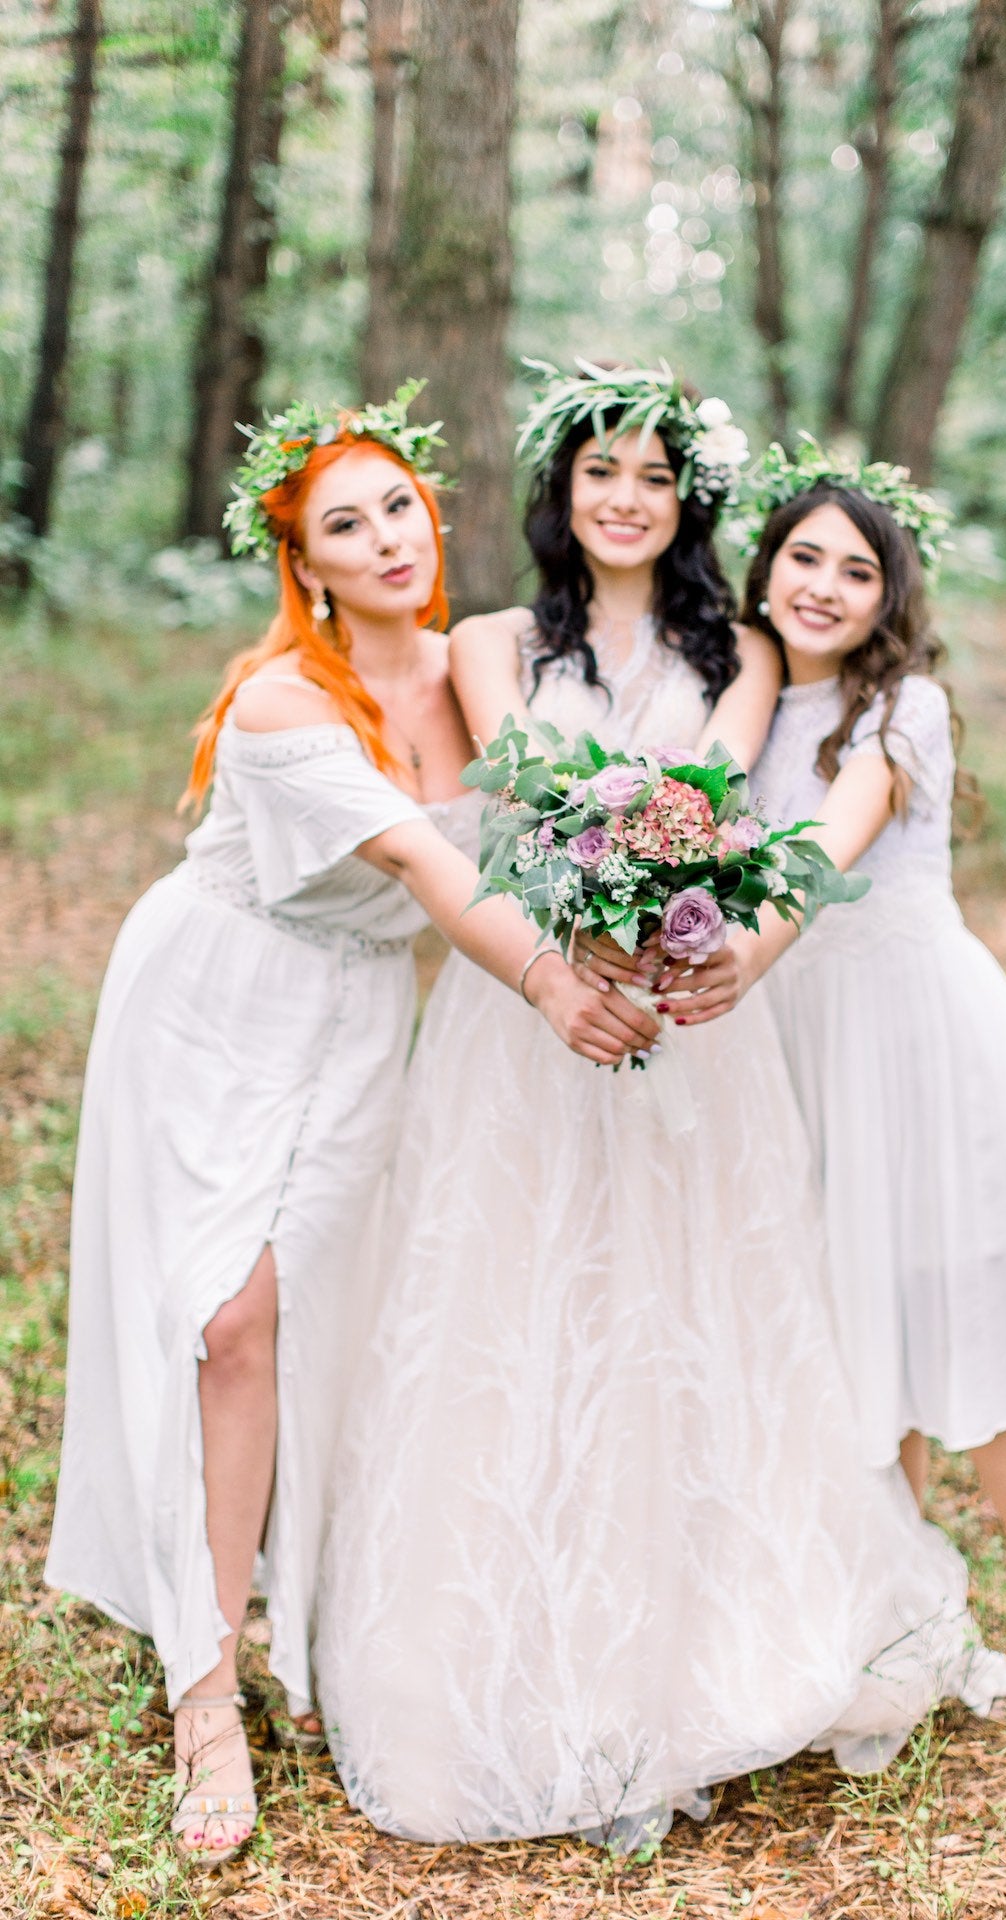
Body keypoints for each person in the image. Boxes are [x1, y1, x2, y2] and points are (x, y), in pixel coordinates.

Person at [315, 363, 1006, 1852]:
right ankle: (501, 1657)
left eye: (650, 475)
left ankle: (697, 1648)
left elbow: (712, 796)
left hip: (690, 1011)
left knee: (692, 1317)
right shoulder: (491, 640)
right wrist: (583, 929)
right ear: (562, 497)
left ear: (686, 498)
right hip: (533, 1011)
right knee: (522, 1303)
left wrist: (680, 925)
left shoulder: (743, 647)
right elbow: (527, 779)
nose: (624, 499)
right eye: (596, 474)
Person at [44, 390, 655, 1867]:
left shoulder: (485, 667)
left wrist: (654, 923)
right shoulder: (281, 705)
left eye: (401, 508)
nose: (388, 539)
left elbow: (564, 820)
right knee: (224, 1316)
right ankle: (205, 1689)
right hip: (216, 1001)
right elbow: (433, 873)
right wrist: (550, 986)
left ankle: (302, 1600)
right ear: (301, 563)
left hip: (364, 1020)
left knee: (313, 1318)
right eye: (346, 525)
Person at [721, 444, 1006, 1733]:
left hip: (924, 1044)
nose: (823, 585)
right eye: (803, 557)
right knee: (849, 1332)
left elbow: (826, 850)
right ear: (763, 570)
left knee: (970, 1328)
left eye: (857, 569)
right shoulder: (741, 704)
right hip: (802, 1052)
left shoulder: (902, 714)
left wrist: (734, 954)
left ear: (892, 598)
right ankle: (897, 1609)